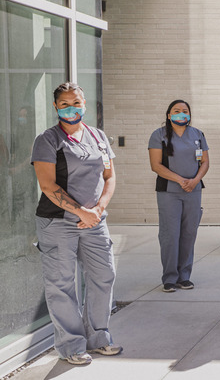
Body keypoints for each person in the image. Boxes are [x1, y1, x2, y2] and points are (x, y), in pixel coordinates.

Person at [31, 82, 121, 366]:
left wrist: (99, 208)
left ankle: (98, 337)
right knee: (62, 284)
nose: (72, 107)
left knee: (104, 275)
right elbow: (47, 185)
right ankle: (71, 345)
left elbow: (109, 177)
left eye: (77, 102)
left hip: (95, 220)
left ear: (85, 103)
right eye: (65, 103)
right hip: (58, 222)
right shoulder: (47, 140)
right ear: (56, 107)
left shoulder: (97, 136)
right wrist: (81, 211)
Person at [148, 99, 209, 292]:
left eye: (185, 111)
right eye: (176, 111)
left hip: (193, 191)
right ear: (169, 115)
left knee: (189, 234)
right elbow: (155, 165)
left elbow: (205, 162)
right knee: (170, 235)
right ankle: (169, 277)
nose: (181, 114)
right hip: (169, 192)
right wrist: (181, 180)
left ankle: (184, 276)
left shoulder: (197, 134)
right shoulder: (158, 135)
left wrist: (194, 180)